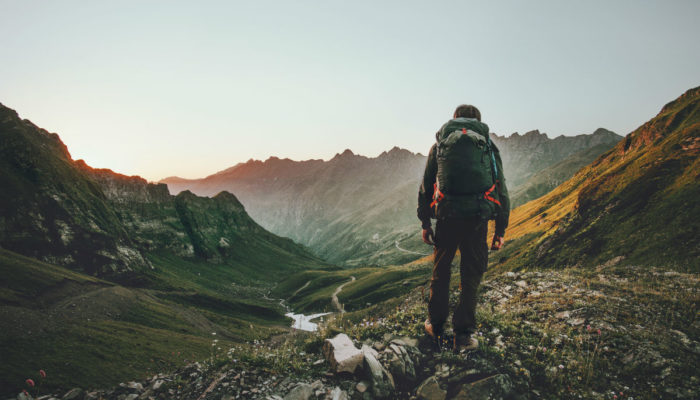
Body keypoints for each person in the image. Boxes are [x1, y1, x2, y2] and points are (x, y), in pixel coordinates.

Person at [417, 104, 510, 352]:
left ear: (455, 119)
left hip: (447, 217)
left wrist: (425, 223)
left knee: (441, 272)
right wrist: (500, 230)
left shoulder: (440, 146)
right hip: (477, 220)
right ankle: (463, 336)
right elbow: (501, 189)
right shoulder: (489, 147)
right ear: (478, 121)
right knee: (471, 276)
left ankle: (436, 326)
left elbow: (426, 187)